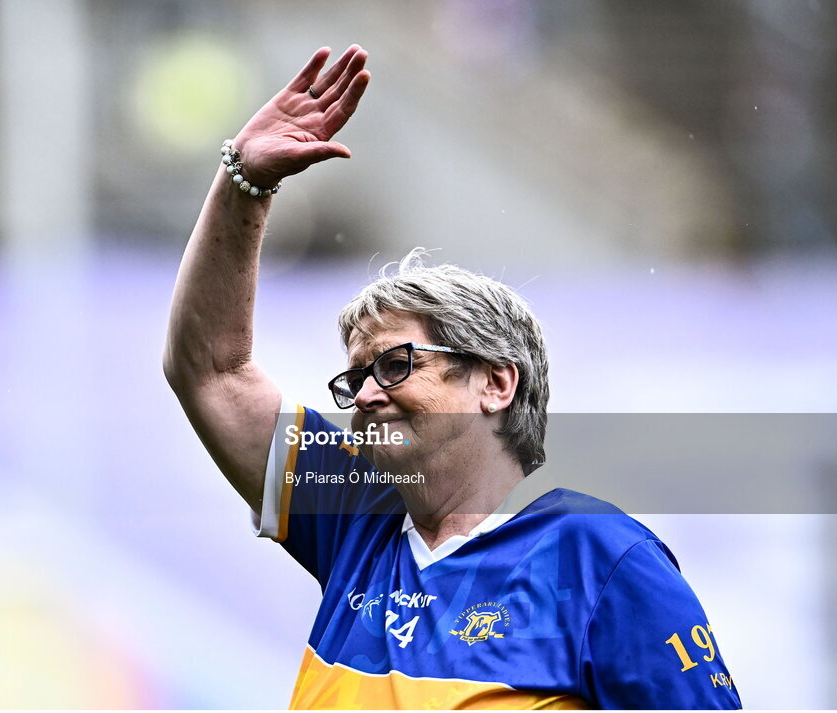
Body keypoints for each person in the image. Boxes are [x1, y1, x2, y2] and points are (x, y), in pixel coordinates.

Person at [164, 45, 740, 710]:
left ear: (495, 382)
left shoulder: (598, 556)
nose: (368, 395)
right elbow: (210, 369)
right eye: (355, 379)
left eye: (395, 364)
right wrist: (242, 182)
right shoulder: (358, 516)